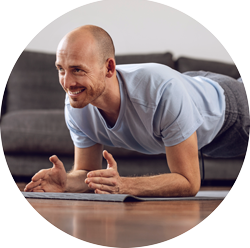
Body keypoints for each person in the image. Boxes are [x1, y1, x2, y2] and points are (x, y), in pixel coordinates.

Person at [24, 25, 249, 197]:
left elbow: (189, 182)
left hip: (231, 112)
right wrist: (66, 183)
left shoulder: (162, 93)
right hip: (191, 89)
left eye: (77, 70)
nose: (67, 82)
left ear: (109, 68)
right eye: (61, 69)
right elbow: (87, 172)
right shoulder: (77, 101)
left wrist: (124, 184)